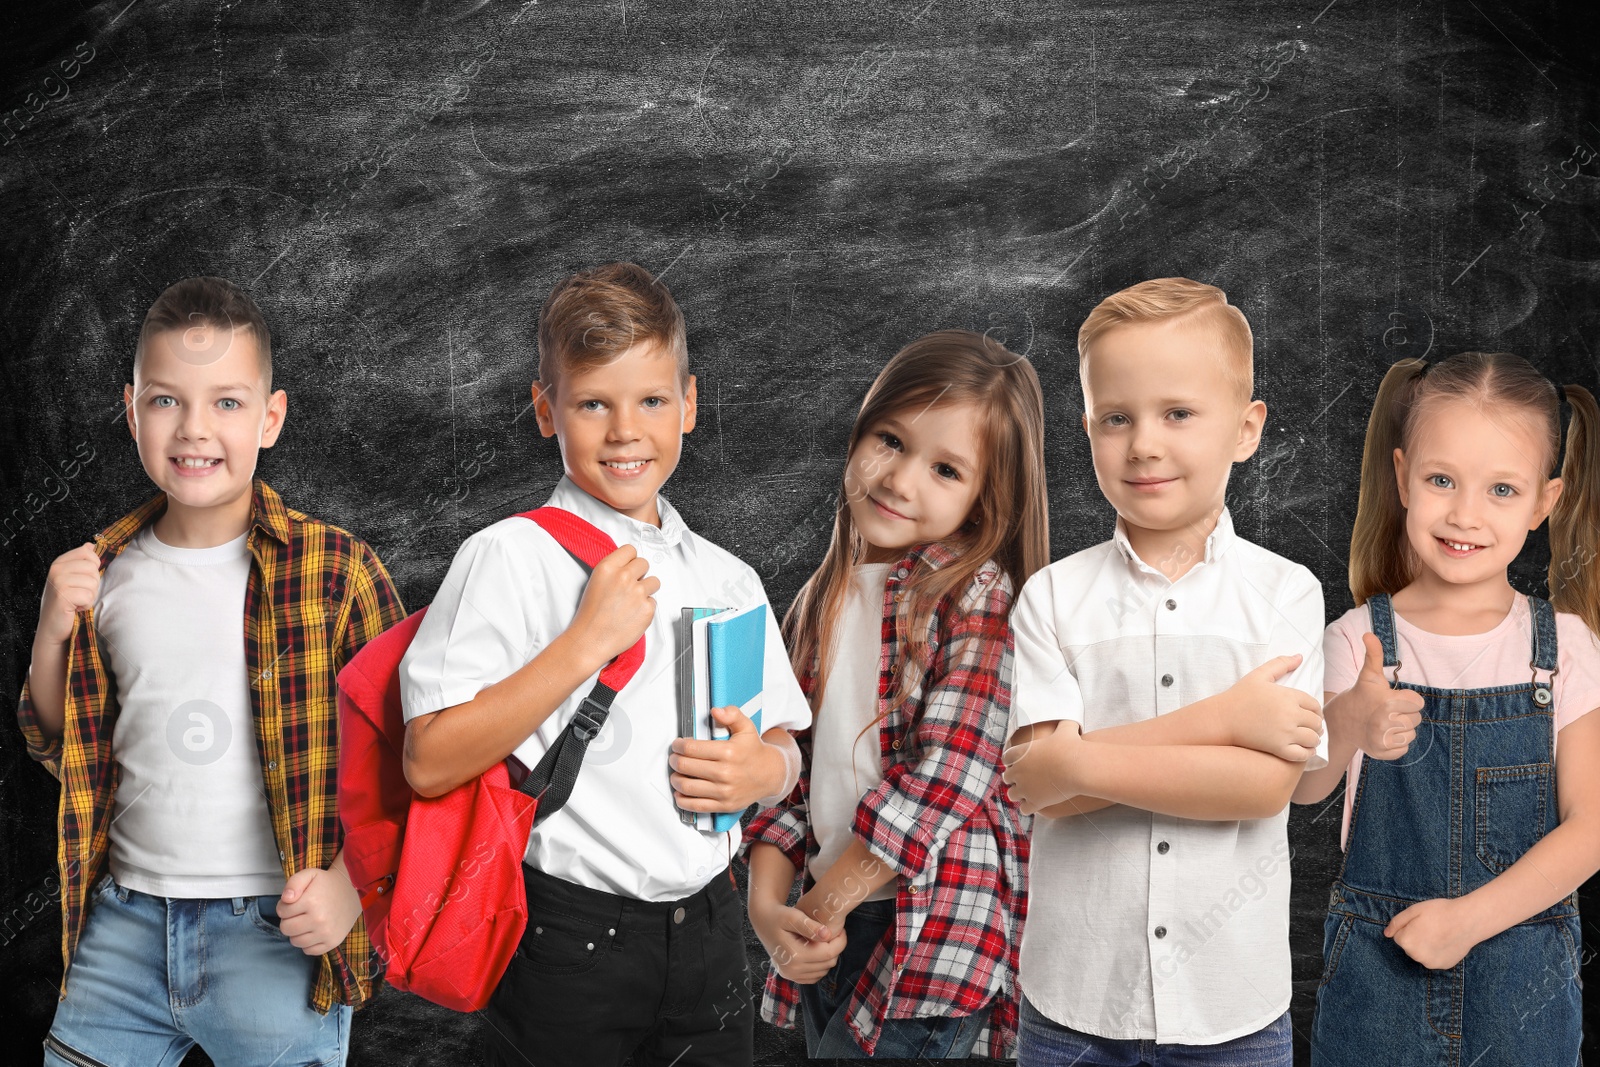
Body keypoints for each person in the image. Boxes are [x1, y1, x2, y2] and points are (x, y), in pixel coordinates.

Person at [398, 261, 809, 1066]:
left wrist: (765, 771)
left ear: (689, 404)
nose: (626, 432)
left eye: (652, 400)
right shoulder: (508, 557)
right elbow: (427, 758)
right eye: (593, 403)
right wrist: (584, 645)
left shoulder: (730, 577)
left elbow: (788, 748)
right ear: (546, 410)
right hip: (568, 941)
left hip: (712, 934)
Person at [19, 277, 405, 1066]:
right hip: (123, 925)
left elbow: (410, 761)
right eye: (166, 401)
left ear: (270, 418)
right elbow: (60, 746)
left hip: (275, 932)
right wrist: (51, 633)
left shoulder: (337, 572)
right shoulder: (103, 574)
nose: (194, 428)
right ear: (132, 411)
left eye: (226, 402)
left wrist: (349, 886)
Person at [1002, 277, 1329, 1067]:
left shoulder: (1286, 592)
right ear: (1087, 430)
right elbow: (1039, 786)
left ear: (1246, 429)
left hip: (1233, 1014)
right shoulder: (1054, 596)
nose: (1143, 443)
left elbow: (1257, 788)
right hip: (1072, 1007)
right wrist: (1223, 722)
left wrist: (1076, 759)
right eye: (1116, 418)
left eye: (1177, 413)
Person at [745, 329, 1046, 1058]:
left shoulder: (978, 596)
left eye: (945, 468)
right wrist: (767, 907)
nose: (900, 478)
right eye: (890, 439)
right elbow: (789, 770)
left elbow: (946, 778)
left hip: (924, 934)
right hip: (828, 921)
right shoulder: (822, 597)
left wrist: (822, 907)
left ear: (986, 500)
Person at [1296, 353, 1600, 1066]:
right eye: (1441, 480)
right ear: (1402, 477)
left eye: (1502, 489)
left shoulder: (1566, 648)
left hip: (1523, 984)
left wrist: (1468, 920)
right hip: (1377, 978)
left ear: (1543, 502)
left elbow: (1591, 828)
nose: (1465, 513)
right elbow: (1306, 785)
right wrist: (1351, 724)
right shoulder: (1355, 638)